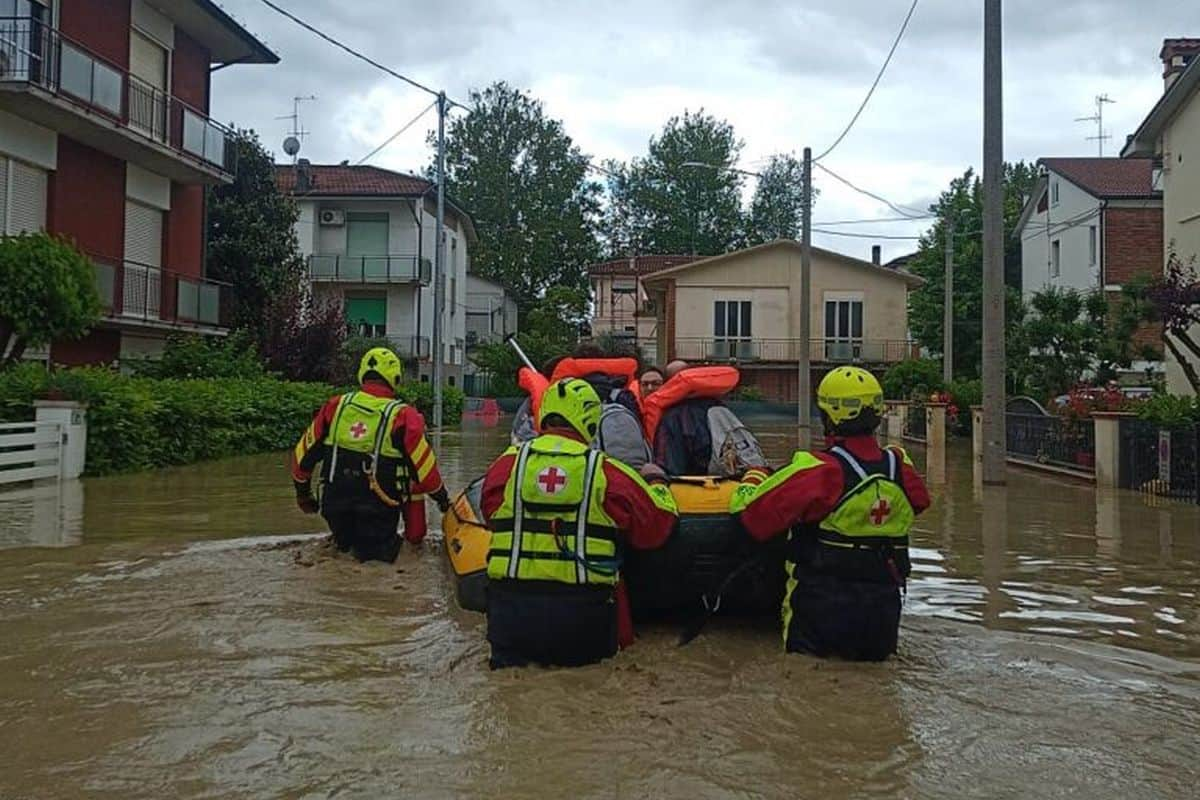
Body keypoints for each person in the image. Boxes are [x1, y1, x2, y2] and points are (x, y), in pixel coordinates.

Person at [731, 367, 931, 661]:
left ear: (827, 415)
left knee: (804, 687)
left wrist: (752, 479)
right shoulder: (899, 465)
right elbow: (920, 502)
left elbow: (752, 518)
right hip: (881, 616)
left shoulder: (818, 470)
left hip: (819, 613)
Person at [480, 378, 678, 668]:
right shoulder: (608, 471)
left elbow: (490, 513)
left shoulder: (506, 465)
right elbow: (655, 529)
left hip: (512, 616)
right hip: (582, 617)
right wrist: (658, 483)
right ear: (590, 419)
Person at [291, 347, 451, 563]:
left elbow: (302, 457)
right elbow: (426, 471)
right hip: (377, 512)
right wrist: (443, 501)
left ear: (362, 373)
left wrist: (303, 495)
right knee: (376, 565)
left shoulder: (336, 406)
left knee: (342, 554)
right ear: (395, 378)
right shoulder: (403, 416)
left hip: (334, 507)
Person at [644, 363, 765, 477]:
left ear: (670, 384)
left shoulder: (674, 417)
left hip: (694, 488)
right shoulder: (720, 408)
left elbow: (670, 466)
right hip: (731, 481)